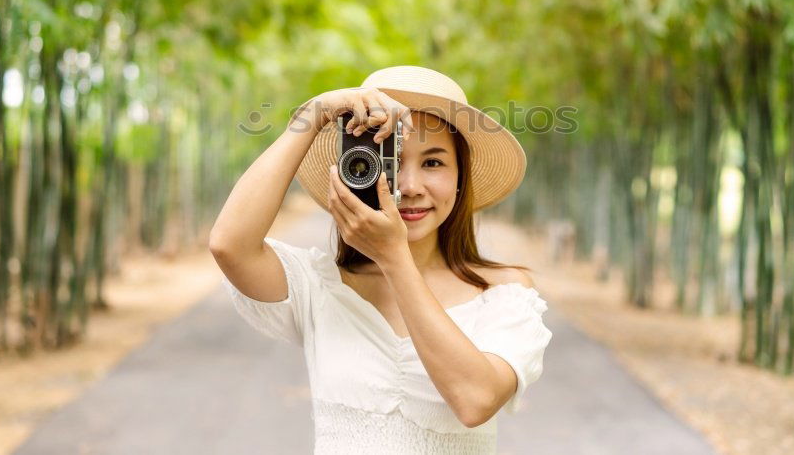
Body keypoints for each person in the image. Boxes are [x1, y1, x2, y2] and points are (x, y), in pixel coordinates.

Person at [209, 65, 552, 454]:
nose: (408, 187)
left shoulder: (503, 292)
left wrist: (394, 259)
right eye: (390, 161)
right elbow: (229, 245)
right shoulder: (321, 286)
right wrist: (316, 112)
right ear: (356, 169)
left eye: (433, 162)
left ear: (461, 178)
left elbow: (475, 400)